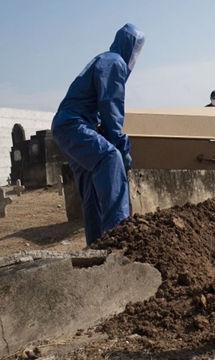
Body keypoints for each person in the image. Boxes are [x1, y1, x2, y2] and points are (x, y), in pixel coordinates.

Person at [51, 23, 145, 246]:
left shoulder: (103, 59)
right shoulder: (114, 62)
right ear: (130, 46)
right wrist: (122, 147)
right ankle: (117, 239)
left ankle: (96, 247)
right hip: (76, 124)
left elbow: (98, 109)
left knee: (91, 188)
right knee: (110, 158)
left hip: (65, 126)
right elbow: (110, 106)